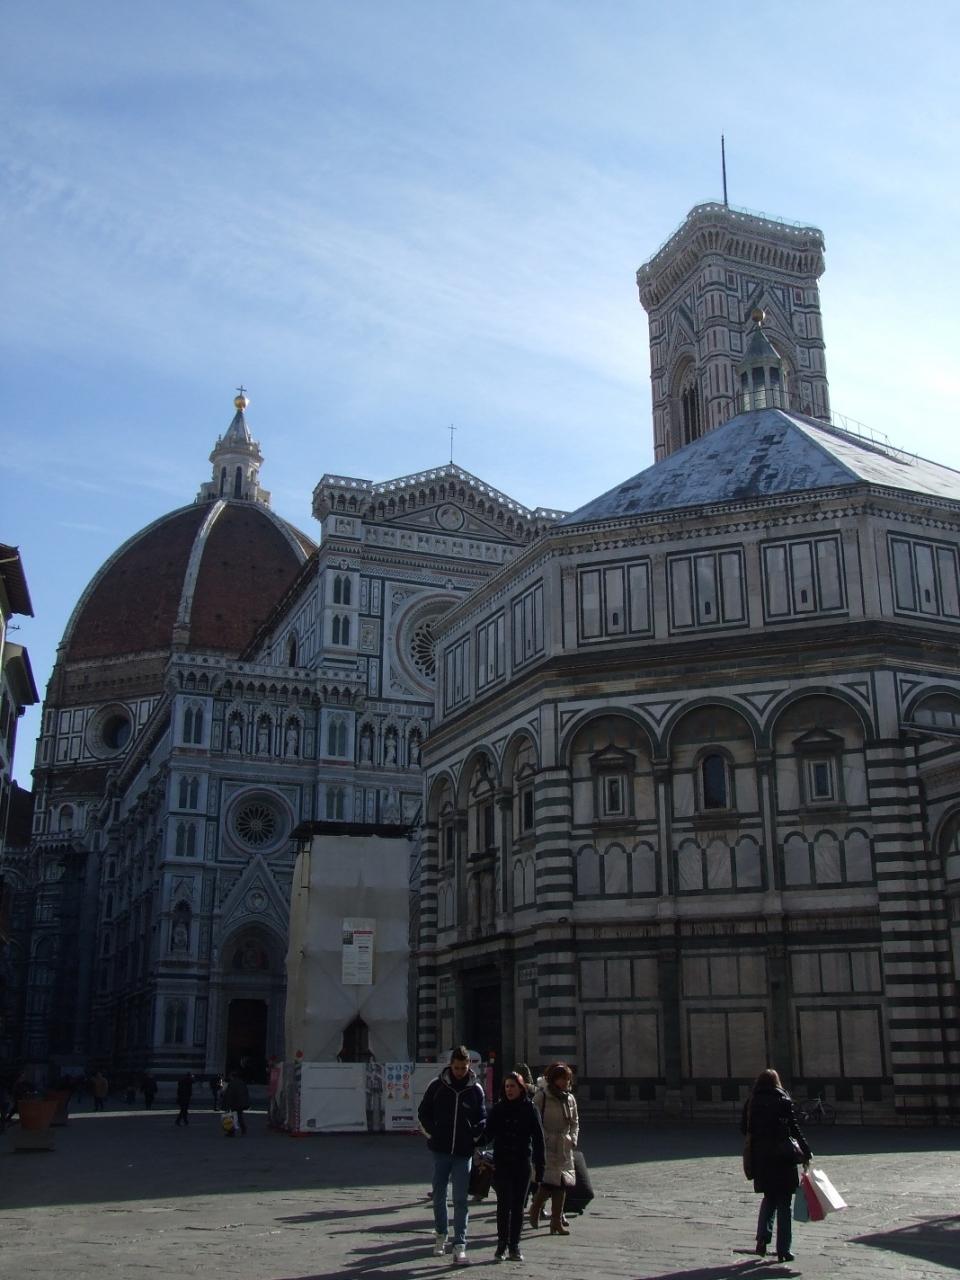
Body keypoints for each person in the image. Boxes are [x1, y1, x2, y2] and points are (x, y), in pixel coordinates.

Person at [417, 1046, 487, 1264]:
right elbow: (423, 1113)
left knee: (460, 1199)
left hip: (463, 1153)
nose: (459, 1072)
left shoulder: (476, 1089)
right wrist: (433, 1133)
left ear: (469, 1065)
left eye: (463, 1068)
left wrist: (473, 1137)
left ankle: (460, 1244)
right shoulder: (437, 1086)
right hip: (441, 1150)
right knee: (439, 1195)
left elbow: (482, 1118)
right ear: (451, 1065)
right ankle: (441, 1235)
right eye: (456, 1068)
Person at [741, 1068, 812, 1263]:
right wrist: (806, 1150)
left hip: (762, 1158)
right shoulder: (783, 1099)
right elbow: (794, 1128)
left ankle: (762, 1239)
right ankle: (783, 1250)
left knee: (769, 1198)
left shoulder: (752, 1101)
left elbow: (744, 1129)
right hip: (783, 1157)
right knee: (784, 1204)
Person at [481, 1071, 545, 1262]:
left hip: (522, 1163)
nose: (509, 1090)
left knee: (518, 1206)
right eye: (507, 1086)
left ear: (521, 1088)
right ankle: (501, 1244)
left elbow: (538, 1138)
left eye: (513, 1086)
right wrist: (474, 1139)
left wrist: (540, 1165)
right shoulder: (498, 1109)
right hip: (502, 1163)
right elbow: (488, 1134)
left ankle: (514, 1246)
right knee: (503, 1204)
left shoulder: (530, 1108)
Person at [529, 1062, 579, 1235]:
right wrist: (545, 1138)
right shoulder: (542, 1097)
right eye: (561, 1078)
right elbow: (534, 1121)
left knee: (562, 1183)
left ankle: (556, 1221)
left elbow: (575, 1122)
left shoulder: (570, 1098)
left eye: (567, 1079)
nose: (565, 1082)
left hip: (564, 1146)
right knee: (549, 1182)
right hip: (547, 1145)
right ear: (553, 1079)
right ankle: (536, 1207)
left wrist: (573, 1138)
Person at [221, 1071, 249, 1135]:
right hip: (240, 1103)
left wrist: (226, 1104)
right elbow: (245, 1093)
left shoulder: (232, 1083)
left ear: (232, 1076)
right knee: (239, 1117)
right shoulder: (242, 1082)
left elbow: (229, 1094)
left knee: (231, 1117)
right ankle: (243, 1129)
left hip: (234, 1103)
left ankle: (231, 1132)